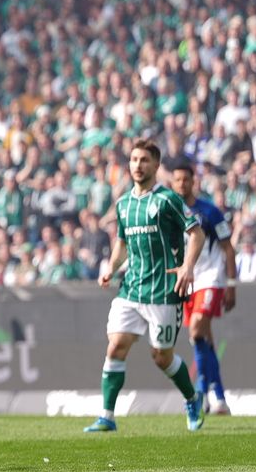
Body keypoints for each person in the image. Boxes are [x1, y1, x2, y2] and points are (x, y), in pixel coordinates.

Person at [85, 140, 205, 434]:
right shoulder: (123, 204)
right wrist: (111, 270)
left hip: (164, 291)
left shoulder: (168, 200)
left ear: (155, 165)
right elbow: (122, 244)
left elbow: (197, 234)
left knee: (161, 356)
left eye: (144, 160)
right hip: (132, 289)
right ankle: (107, 417)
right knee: (116, 345)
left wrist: (188, 267)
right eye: (134, 160)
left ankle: (192, 398)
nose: (138, 165)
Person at [166, 156, 236, 415]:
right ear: (172, 183)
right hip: (186, 282)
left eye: (186, 179)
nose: (182, 184)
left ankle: (201, 391)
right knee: (203, 338)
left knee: (196, 330)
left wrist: (231, 284)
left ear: (194, 181)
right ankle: (218, 397)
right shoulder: (170, 211)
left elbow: (229, 249)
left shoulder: (210, 211)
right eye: (177, 180)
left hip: (210, 278)